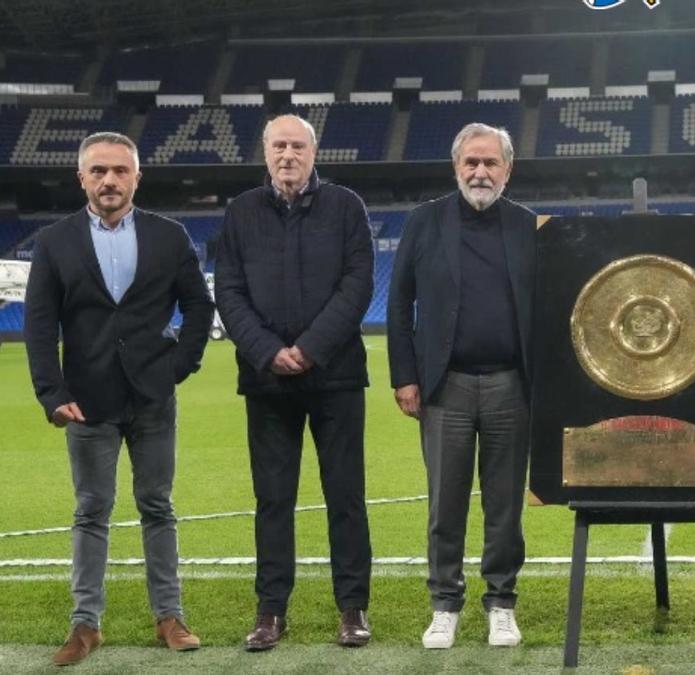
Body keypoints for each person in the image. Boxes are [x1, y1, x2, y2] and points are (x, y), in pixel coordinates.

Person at [24, 132, 213, 666]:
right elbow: (40, 326)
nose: (110, 180)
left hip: (152, 397)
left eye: (120, 171)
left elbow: (199, 308)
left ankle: (169, 617)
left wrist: (179, 365)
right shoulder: (54, 241)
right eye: (99, 171)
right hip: (86, 400)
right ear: (81, 178)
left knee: (158, 506)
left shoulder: (170, 236)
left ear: (136, 177)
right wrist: (51, 393)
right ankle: (85, 625)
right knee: (91, 510)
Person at [214, 114, 375, 651]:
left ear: (313, 152)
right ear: (265, 153)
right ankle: (270, 612)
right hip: (267, 383)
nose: (288, 154)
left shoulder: (346, 206)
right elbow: (229, 292)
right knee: (273, 500)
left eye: (297, 146)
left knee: (345, 496)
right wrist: (267, 352)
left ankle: (352, 609)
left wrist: (309, 349)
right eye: (279, 145)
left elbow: (358, 286)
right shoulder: (240, 213)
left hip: (336, 378)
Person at [387, 122, 535, 650]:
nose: (480, 171)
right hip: (444, 388)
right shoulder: (425, 222)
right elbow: (398, 303)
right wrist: (405, 376)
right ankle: (444, 604)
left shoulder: (525, 226)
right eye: (471, 162)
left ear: (507, 169)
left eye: (490, 163)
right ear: (456, 167)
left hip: (510, 387)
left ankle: (501, 602)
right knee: (445, 505)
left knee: (504, 507)